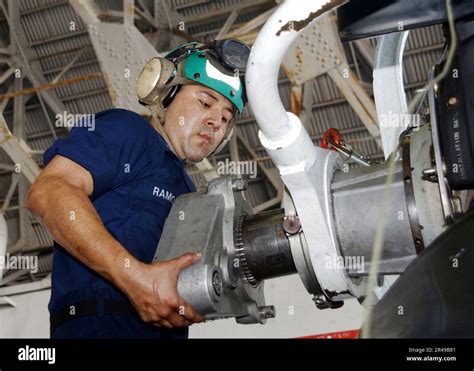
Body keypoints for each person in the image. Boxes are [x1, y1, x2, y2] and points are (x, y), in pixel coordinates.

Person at [25, 39, 249, 338]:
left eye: (225, 117)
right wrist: (135, 279)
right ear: (165, 92)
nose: (214, 122)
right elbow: (49, 191)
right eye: (205, 102)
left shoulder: (186, 188)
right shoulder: (127, 131)